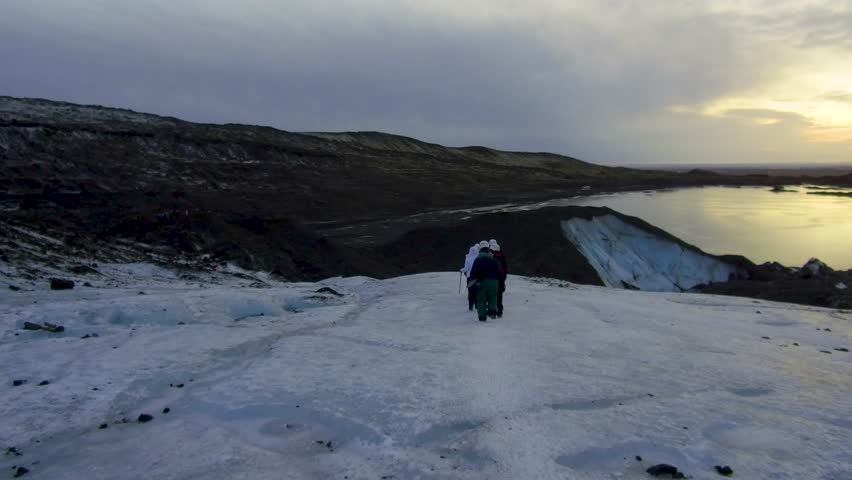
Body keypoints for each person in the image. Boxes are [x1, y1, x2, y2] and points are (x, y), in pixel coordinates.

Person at [467, 243, 502, 322]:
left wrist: (471, 282)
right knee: (493, 297)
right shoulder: (493, 259)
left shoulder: (477, 260)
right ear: (488, 250)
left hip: (482, 282)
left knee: (481, 299)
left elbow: (473, 273)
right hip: (494, 282)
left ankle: (482, 317)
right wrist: (500, 282)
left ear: (480, 250)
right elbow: (499, 272)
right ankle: (492, 312)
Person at [489, 240, 508, 318]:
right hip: (501, 279)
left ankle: (492, 311)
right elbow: (505, 269)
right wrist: (503, 279)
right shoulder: (502, 257)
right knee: (499, 296)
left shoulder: (491, 257)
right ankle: (500, 311)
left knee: (492, 296)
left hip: (492, 279)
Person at [461, 244, 480, 310]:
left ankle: (470, 306)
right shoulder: (479, 258)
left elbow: (466, 268)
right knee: (477, 291)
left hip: (470, 278)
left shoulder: (468, 258)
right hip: (477, 278)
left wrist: (461, 270)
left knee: (471, 292)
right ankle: (477, 306)